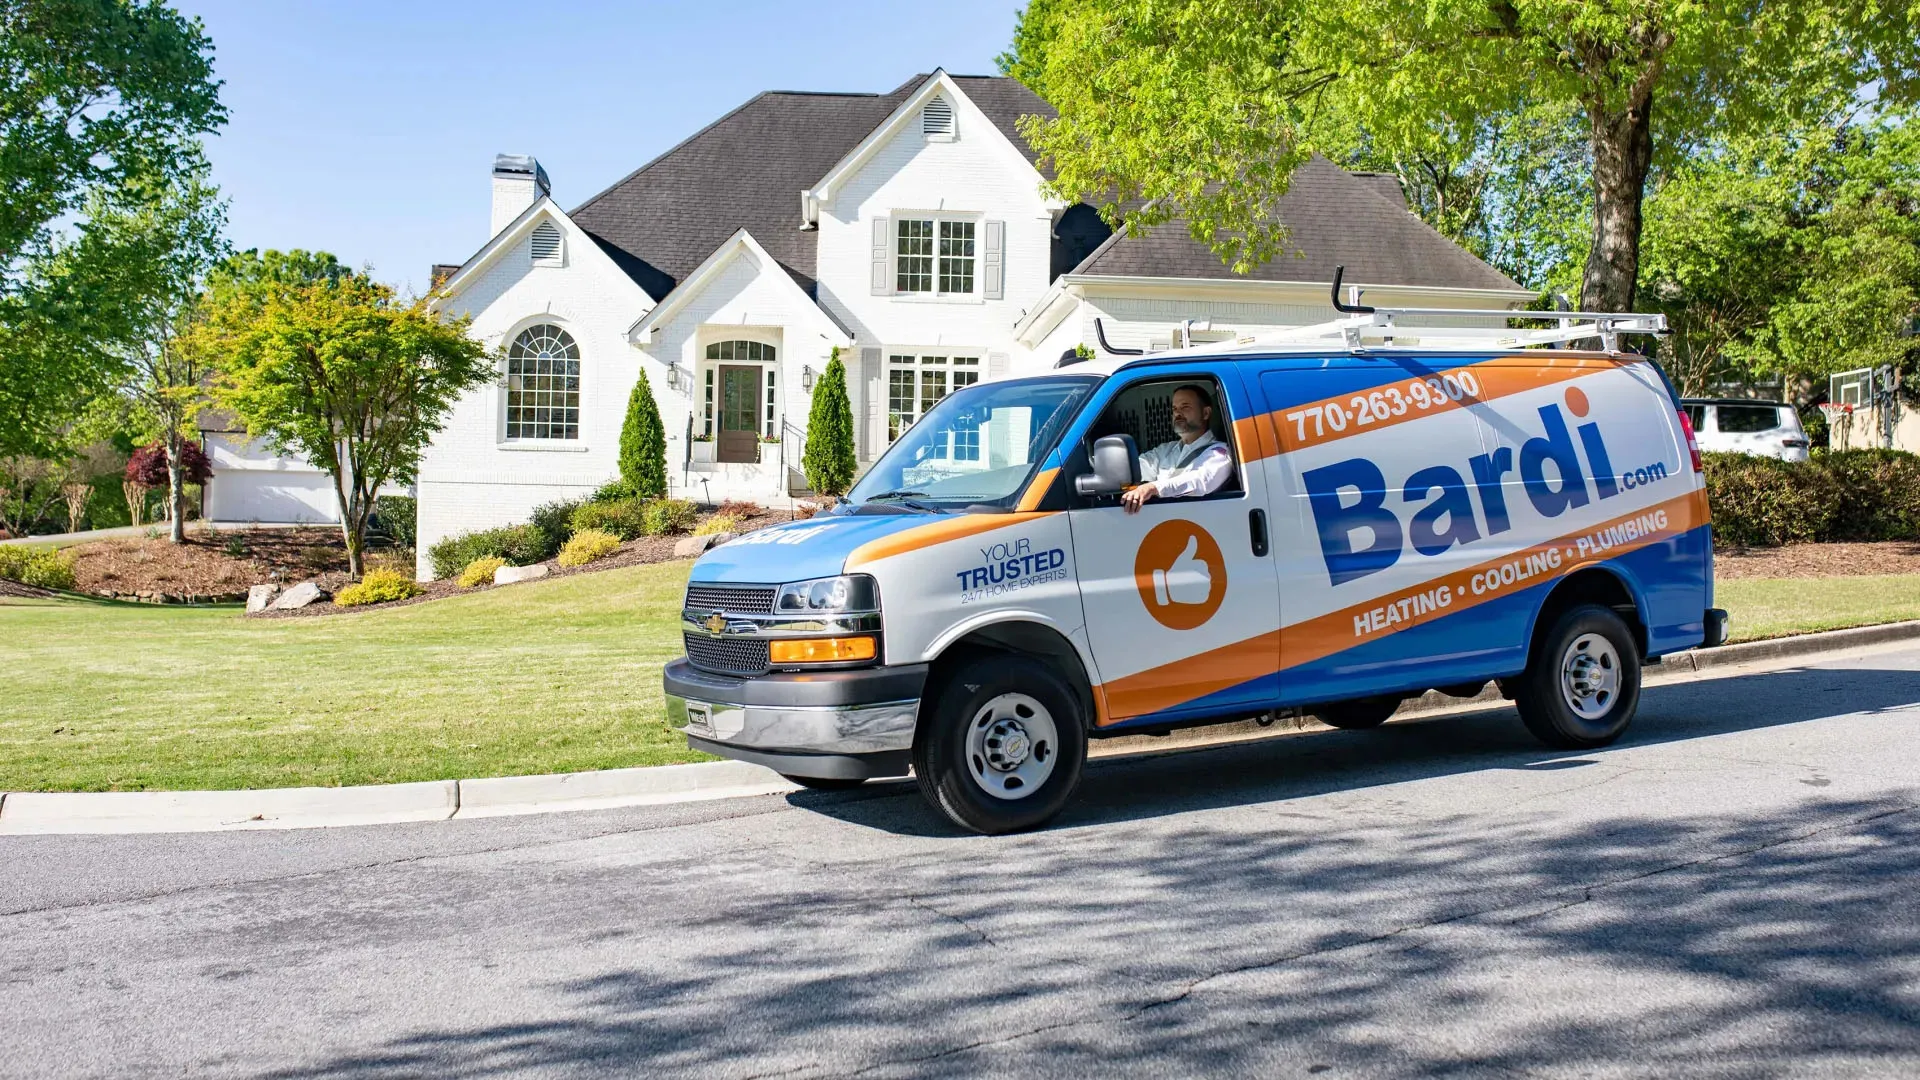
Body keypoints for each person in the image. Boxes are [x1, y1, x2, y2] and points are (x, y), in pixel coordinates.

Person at [1121, 384, 1235, 513]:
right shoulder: (1166, 450)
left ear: (1205, 413)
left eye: (1185, 407)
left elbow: (1200, 481)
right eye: (1174, 408)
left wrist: (1153, 487)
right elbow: (1136, 467)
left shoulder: (1219, 453)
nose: (1177, 413)